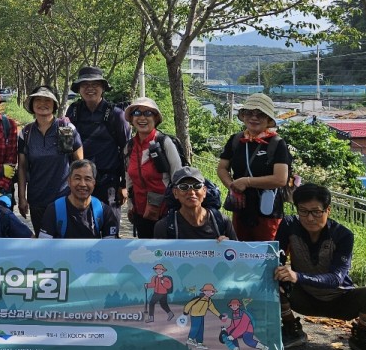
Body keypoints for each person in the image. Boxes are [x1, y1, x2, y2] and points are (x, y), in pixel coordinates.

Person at [275, 183, 366, 350]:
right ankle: (292, 328)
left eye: (316, 212)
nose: (309, 218)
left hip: (340, 300)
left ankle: (362, 335)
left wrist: (297, 276)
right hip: (303, 297)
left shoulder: (343, 235)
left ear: (328, 210)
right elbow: (277, 258)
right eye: (303, 211)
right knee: (271, 280)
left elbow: (336, 278)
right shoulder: (289, 224)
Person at [216, 93, 291, 241]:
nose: (254, 118)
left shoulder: (277, 144)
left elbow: (280, 179)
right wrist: (232, 187)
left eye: (260, 114)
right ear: (243, 116)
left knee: (266, 251)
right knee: (239, 249)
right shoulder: (236, 140)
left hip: (268, 210)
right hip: (240, 207)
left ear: (268, 119)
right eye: (249, 113)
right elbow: (222, 168)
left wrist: (247, 182)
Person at [17, 86, 83, 235]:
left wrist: (79, 195)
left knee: (65, 241)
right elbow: (22, 167)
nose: (43, 103)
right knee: (43, 242)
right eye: (38, 100)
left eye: (47, 100)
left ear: (54, 104)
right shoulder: (26, 133)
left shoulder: (65, 128)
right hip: (37, 199)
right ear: (32, 104)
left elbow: (80, 164)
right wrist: (22, 198)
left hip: (64, 199)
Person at [65, 66, 129, 209]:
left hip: (108, 183)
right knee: (80, 221)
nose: (90, 88)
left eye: (95, 85)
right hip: (80, 183)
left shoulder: (116, 115)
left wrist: (124, 185)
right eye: (85, 85)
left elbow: (127, 151)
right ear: (79, 89)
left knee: (109, 222)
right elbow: (67, 147)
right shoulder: (73, 111)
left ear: (103, 88)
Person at [123, 97, 180, 238]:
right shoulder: (129, 147)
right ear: (131, 119)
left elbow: (178, 176)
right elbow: (129, 179)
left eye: (148, 113)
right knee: (145, 250)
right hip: (141, 212)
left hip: (165, 212)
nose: (142, 117)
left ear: (156, 118)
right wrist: (130, 206)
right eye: (137, 113)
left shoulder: (164, 142)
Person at [37, 159, 120, 239]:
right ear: (69, 182)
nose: (82, 184)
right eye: (77, 178)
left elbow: (110, 245)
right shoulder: (54, 210)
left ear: (94, 183)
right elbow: (44, 245)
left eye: (87, 179)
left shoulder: (104, 211)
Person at [155, 166, 237, 241]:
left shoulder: (221, 221)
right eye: (184, 187)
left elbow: (237, 251)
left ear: (204, 191)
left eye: (197, 186)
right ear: (175, 193)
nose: (191, 192)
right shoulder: (164, 227)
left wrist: (229, 245)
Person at [183, 283, 226, 350]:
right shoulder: (198, 298)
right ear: (204, 291)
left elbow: (212, 308)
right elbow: (189, 304)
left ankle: (199, 343)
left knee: (201, 329)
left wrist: (219, 315)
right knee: (195, 327)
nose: (209, 293)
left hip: (201, 316)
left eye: (211, 291)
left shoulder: (208, 300)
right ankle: (190, 339)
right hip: (195, 315)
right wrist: (186, 311)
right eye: (207, 291)